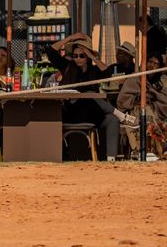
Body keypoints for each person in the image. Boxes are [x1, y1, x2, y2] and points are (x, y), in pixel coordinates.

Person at [46, 33, 134, 161]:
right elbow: (51, 51)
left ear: (87, 57)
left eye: (82, 56)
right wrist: (70, 38)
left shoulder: (94, 70)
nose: (78, 59)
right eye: (75, 56)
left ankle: (111, 159)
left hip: (92, 113)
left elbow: (107, 72)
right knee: (89, 94)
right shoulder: (68, 66)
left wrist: (93, 56)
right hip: (72, 111)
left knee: (112, 120)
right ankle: (122, 116)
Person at [116, 52, 167, 158]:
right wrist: (138, 98)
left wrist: (152, 99)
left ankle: (156, 149)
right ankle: (143, 149)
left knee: (149, 111)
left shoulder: (161, 83)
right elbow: (121, 101)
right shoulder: (134, 79)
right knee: (146, 111)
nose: (152, 65)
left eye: (156, 64)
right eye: (150, 62)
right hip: (134, 113)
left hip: (156, 112)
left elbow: (164, 101)